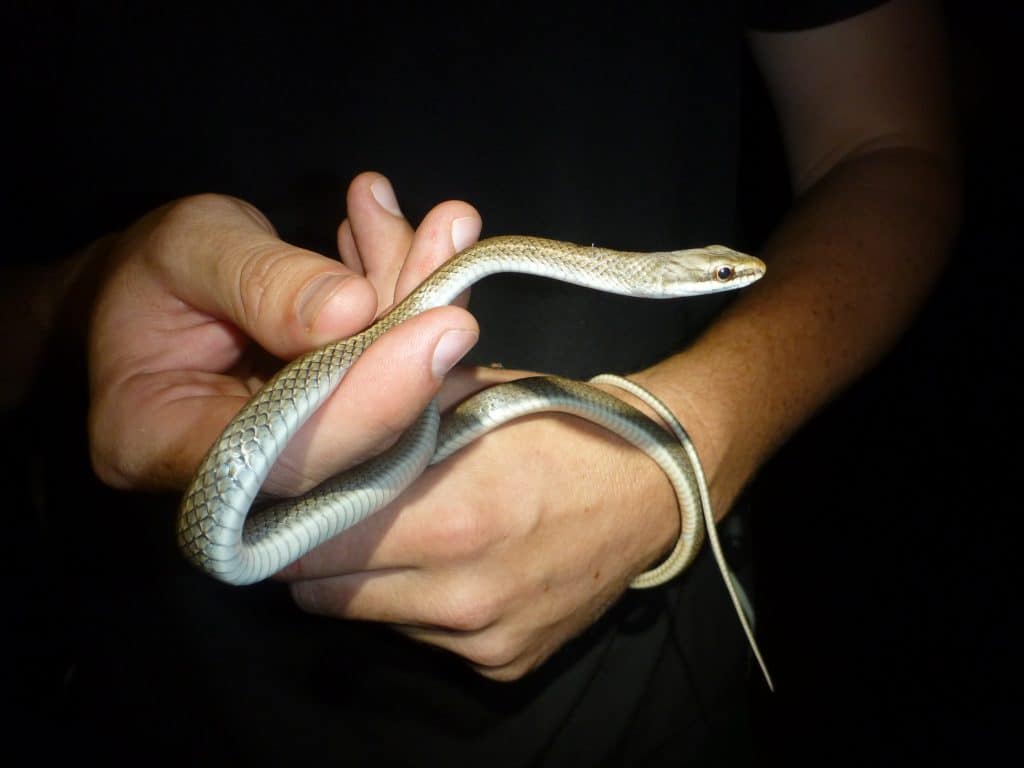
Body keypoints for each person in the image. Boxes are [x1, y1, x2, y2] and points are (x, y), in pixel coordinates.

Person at [9, 1, 959, 764]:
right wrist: (78, 307)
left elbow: (889, 146)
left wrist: (685, 443)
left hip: (649, 700)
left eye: (718, 273)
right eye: (718, 274)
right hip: (151, 704)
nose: (728, 275)